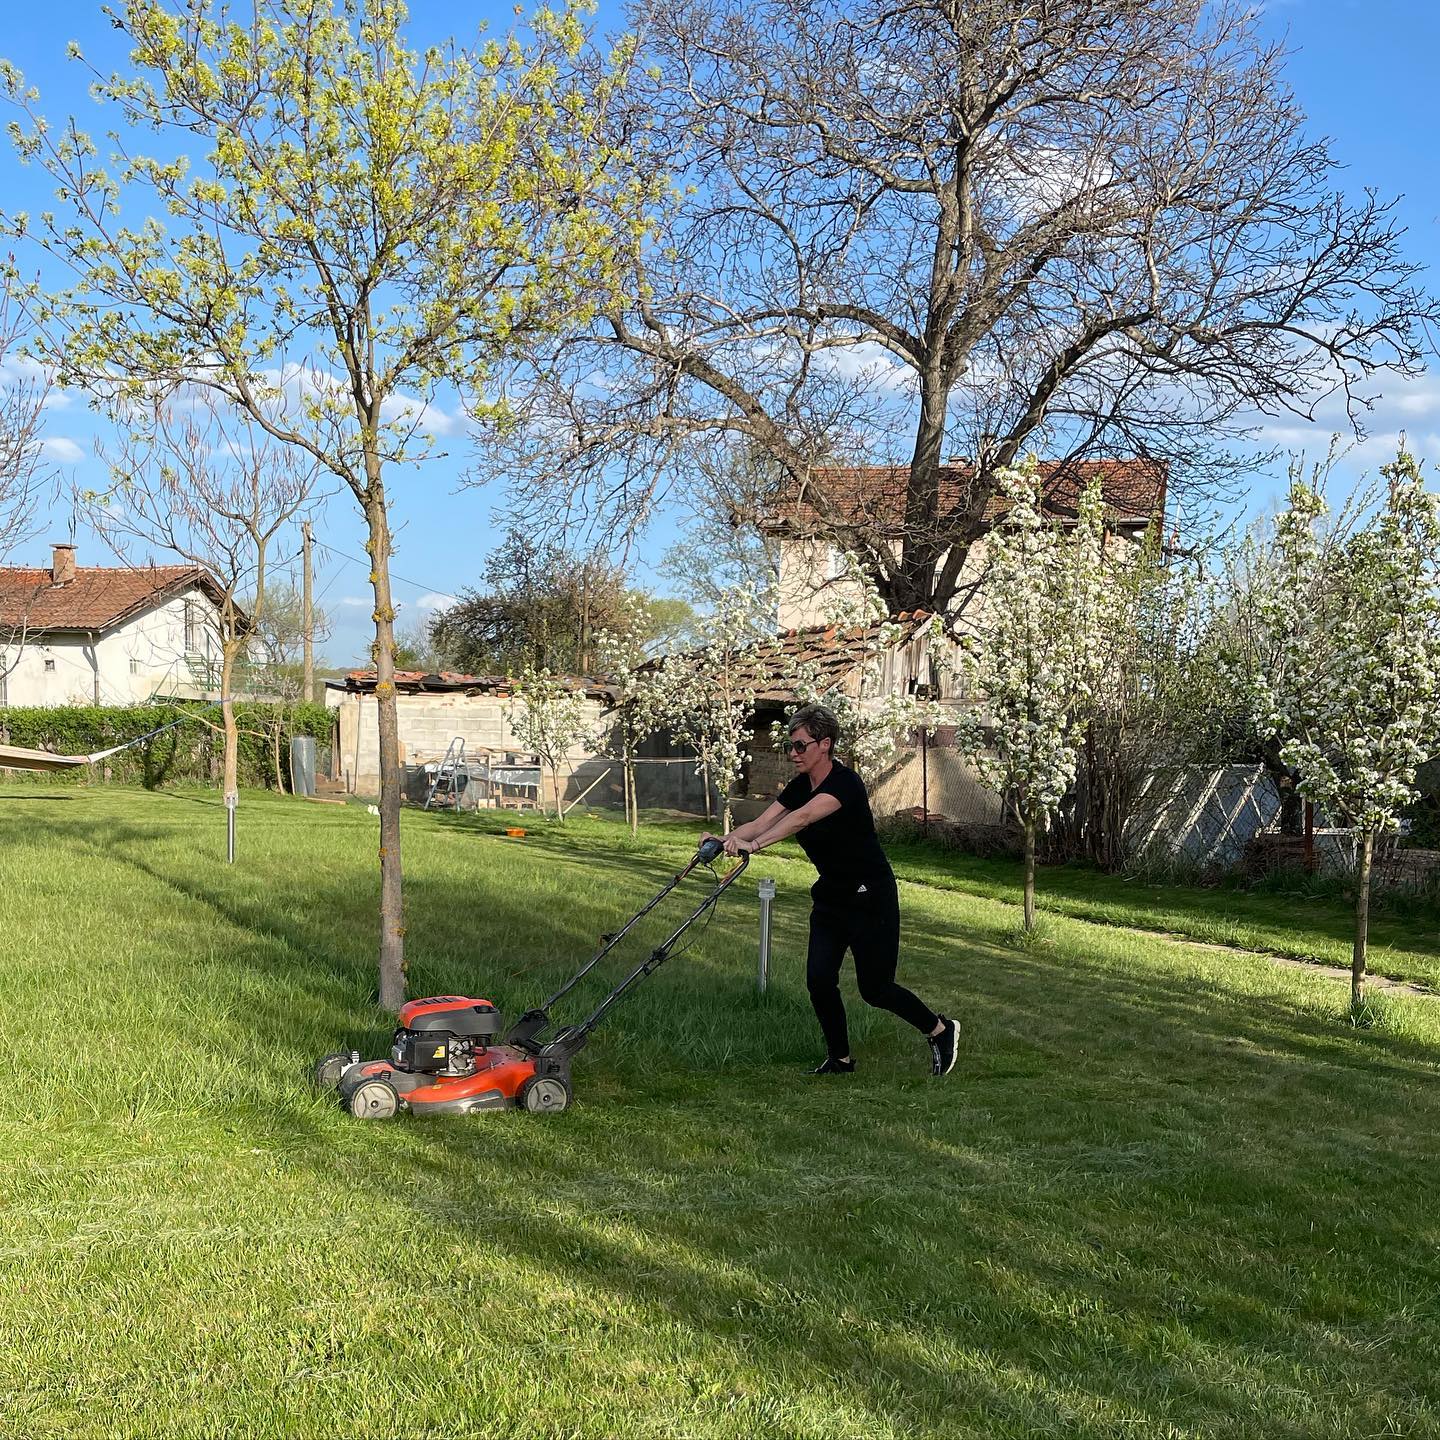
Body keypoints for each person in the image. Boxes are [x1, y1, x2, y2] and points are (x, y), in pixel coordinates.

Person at [702, 703, 959, 1076]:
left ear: (825, 744)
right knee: (819, 980)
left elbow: (800, 819)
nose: (793, 754)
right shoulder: (798, 787)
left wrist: (754, 848)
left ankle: (939, 1029)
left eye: (800, 746)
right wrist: (724, 840)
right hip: (832, 896)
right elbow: (760, 823)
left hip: (870, 896)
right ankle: (840, 1059)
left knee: (875, 989)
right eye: (790, 746)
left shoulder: (845, 784)